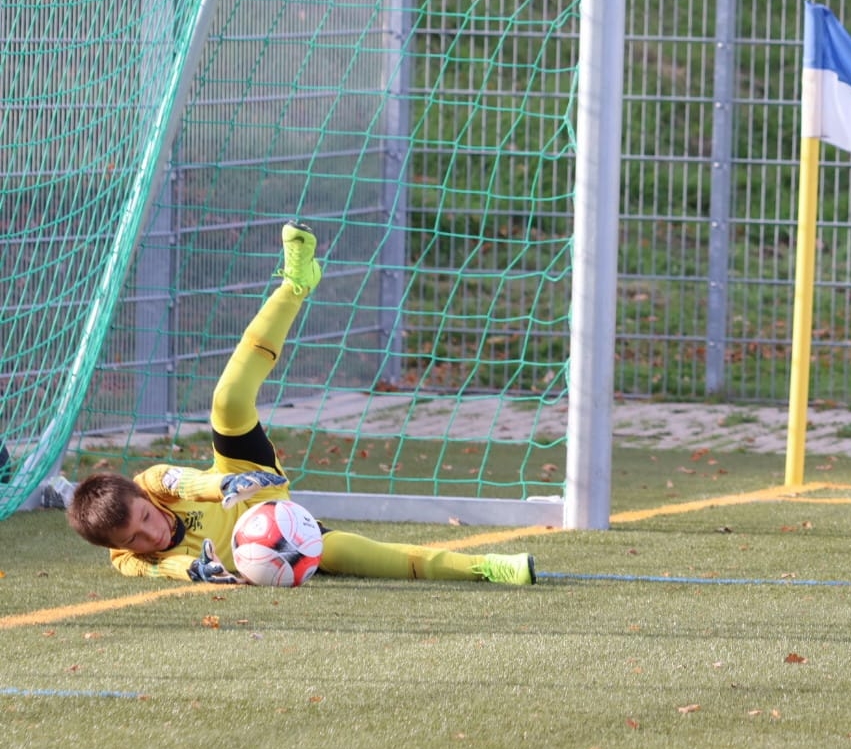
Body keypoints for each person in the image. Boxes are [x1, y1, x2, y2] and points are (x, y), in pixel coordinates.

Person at [67, 222, 537, 587]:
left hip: (249, 485)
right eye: (133, 539)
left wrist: (223, 483)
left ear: (142, 499)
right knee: (373, 557)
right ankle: (490, 566)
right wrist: (193, 570)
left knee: (228, 400)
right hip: (287, 536)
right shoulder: (127, 558)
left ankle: (296, 281)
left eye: (144, 518)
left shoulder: (151, 484)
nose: (149, 535)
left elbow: (183, 481)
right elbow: (157, 567)